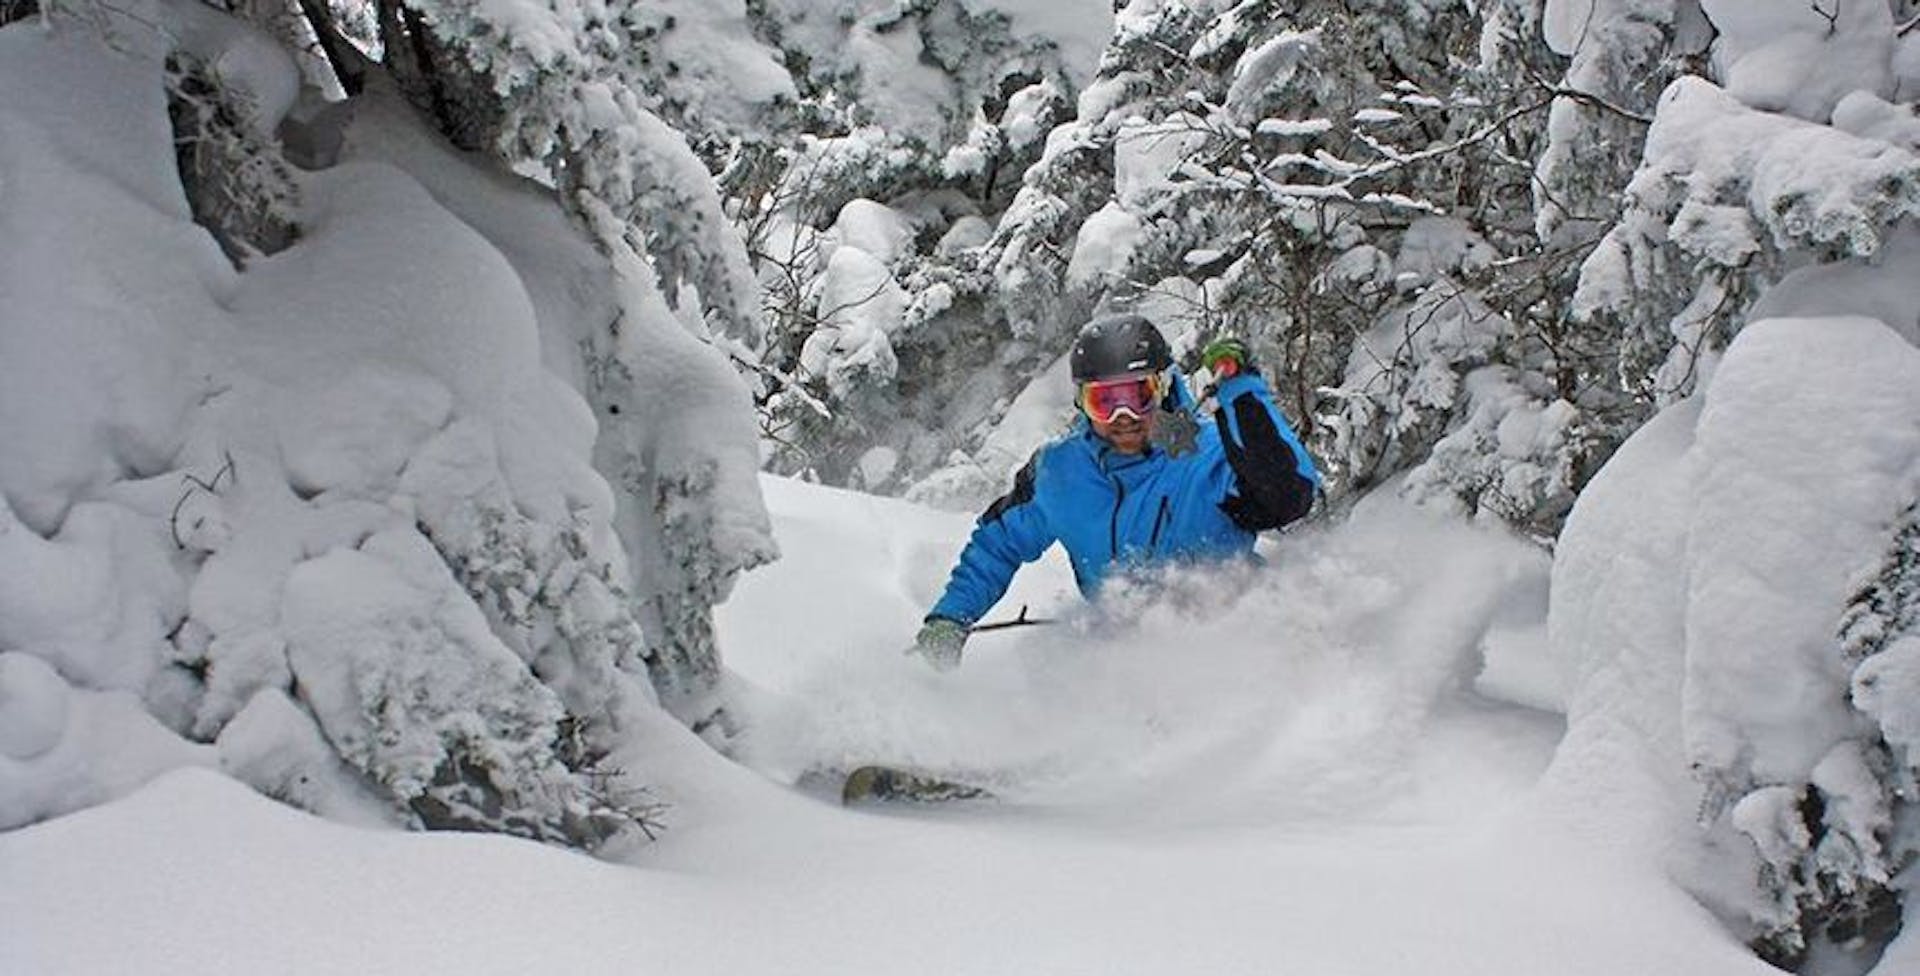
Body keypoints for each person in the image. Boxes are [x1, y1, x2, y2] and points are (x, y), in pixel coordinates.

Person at [908, 313, 1321, 671]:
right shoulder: (1061, 473)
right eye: (1104, 401)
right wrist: (952, 615)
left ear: (1162, 387)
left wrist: (1243, 394)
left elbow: (1288, 497)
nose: (1123, 418)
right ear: (1082, 403)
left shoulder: (1210, 456)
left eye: (1137, 396)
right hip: (1125, 662)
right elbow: (999, 543)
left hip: (1239, 645)